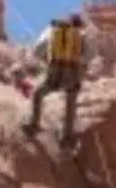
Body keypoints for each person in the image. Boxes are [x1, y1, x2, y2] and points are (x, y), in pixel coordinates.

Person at [20, 13, 95, 150]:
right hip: (71, 72)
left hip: (54, 69)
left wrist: (48, 59)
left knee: (38, 93)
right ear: (79, 24)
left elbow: (38, 50)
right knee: (70, 101)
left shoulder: (54, 31)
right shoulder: (80, 35)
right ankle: (66, 137)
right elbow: (89, 55)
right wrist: (80, 64)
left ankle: (33, 124)